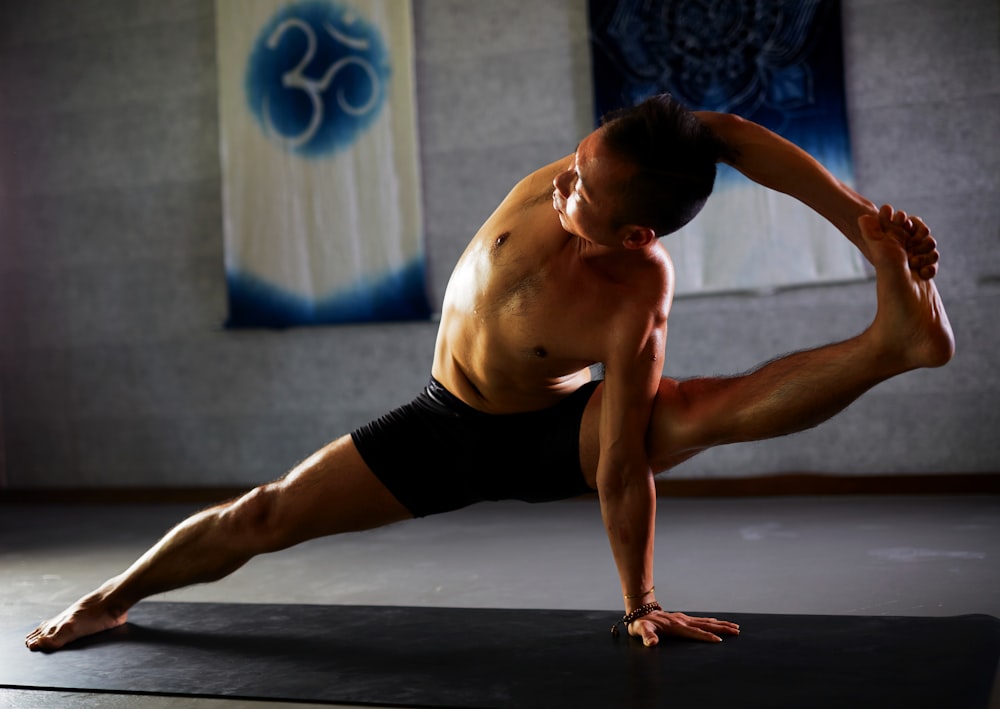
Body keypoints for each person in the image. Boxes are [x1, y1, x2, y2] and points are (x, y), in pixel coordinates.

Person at [25, 94, 953, 652]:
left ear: (636, 232)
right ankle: (113, 598)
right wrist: (861, 217)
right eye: (576, 163)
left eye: (581, 191)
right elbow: (725, 132)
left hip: (559, 437)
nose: (560, 185)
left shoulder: (636, 290)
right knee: (262, 513)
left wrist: (642, 602)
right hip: (440, 428)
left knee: (688, 411)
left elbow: (622, 459)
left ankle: (892, 343)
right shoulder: (600, 166)